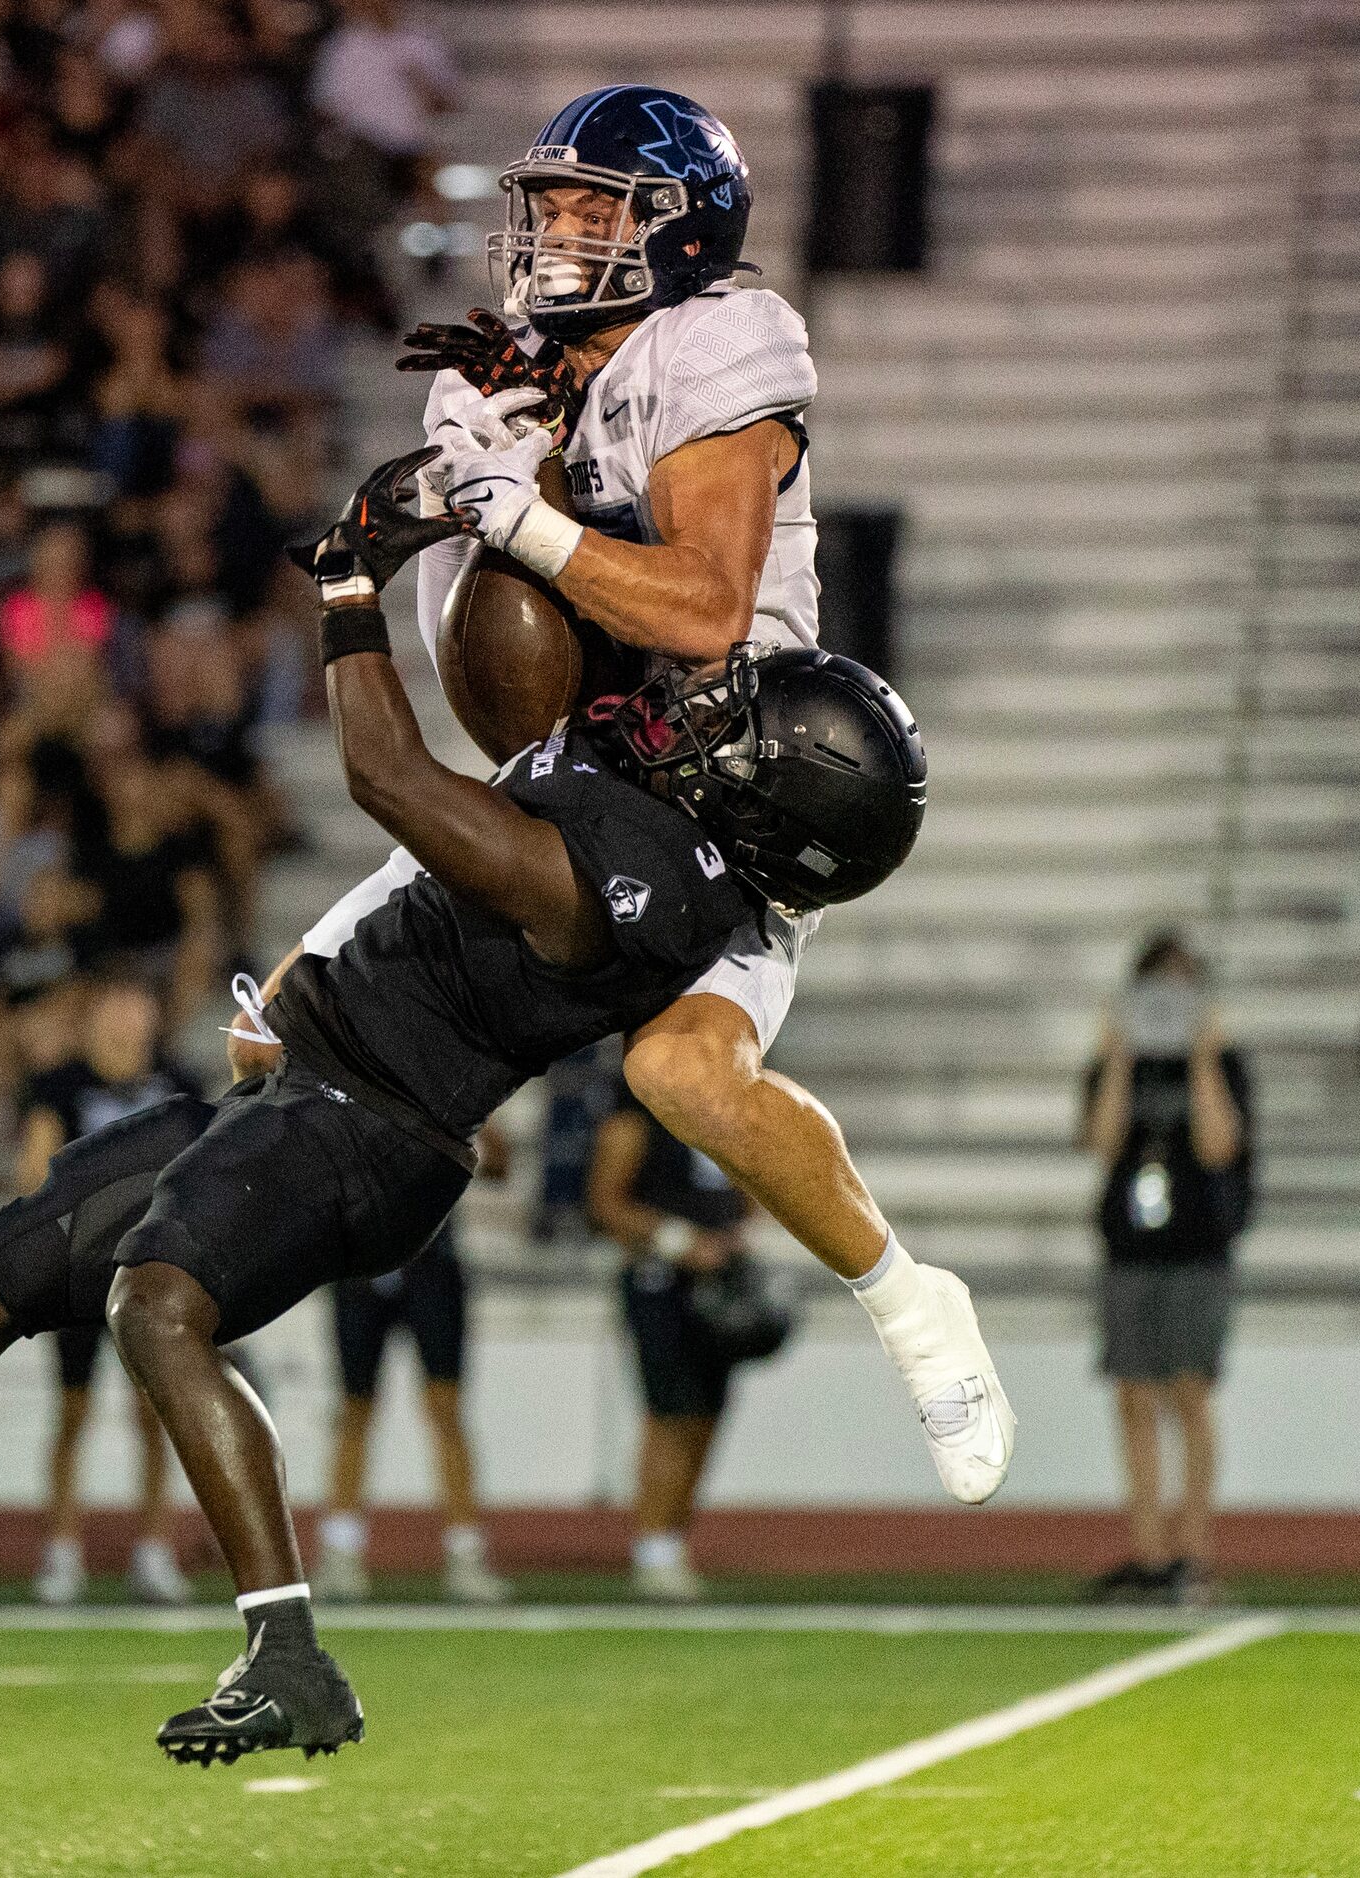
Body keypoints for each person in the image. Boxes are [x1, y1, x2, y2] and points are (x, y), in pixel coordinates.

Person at [0, 454, 950, 1768]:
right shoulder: (667, 817)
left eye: (742, 731)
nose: (711, 709)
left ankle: (287, 1647)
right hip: (319, 1077)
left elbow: (386, 778)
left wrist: (351, 588)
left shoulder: (652, 886)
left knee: (158, 1305)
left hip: (379, 1126)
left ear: (771, 813)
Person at [307, 86, 1012, 1511]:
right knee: (282, 1021)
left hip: (735, 782)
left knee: (681, 1073)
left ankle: (908, 1302)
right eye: (549, 209)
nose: (557, 237)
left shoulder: (721, 349)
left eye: (592, 210)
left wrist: (523, 510)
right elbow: (496, 689)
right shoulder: (525, 372)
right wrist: (481, 485)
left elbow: (703, 607)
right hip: (579, 776)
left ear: (679, 228)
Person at [1078, 931, 1253, 1606]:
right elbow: (1100, 1141)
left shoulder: (1224, 1064)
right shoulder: (1117, 1061)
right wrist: (1117, 1056)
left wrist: (1204, 1056)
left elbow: (1218, 1147)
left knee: (1188, 1393)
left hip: (1196, 1248)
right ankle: (1149, 1552)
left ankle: (1194, 1552)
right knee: (1131, 1396)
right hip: (1129, 1249)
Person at [17, 976, 197, 1608]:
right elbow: (33, 1174)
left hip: (152, 1272)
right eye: (114, 1001)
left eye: (134, 1000)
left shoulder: (178, 1085)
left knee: (155, 1416)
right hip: (80, 1273)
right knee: (72, 1413)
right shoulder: (61, 1085)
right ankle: (62, 1551)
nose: (125, 1015)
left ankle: (153, 1551)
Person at [586, 1078, 768, 1601]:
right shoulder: (636, 1113)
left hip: (717, 1283)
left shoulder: (724, 1110)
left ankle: (672, 1539)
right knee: (669, 1412)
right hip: (658, 1280)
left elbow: (747, 1194)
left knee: (707, 1413)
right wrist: (679, 1242)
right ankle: (653, 1547)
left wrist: (731, 1235)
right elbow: (606, 1205)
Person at [310, 1215, 508, 1606]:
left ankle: (465, 1551)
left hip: (430, 1262)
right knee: (354, 1410)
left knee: (445, 1410)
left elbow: (495, 1164)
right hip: (360, 1263)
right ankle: (340, 1550)